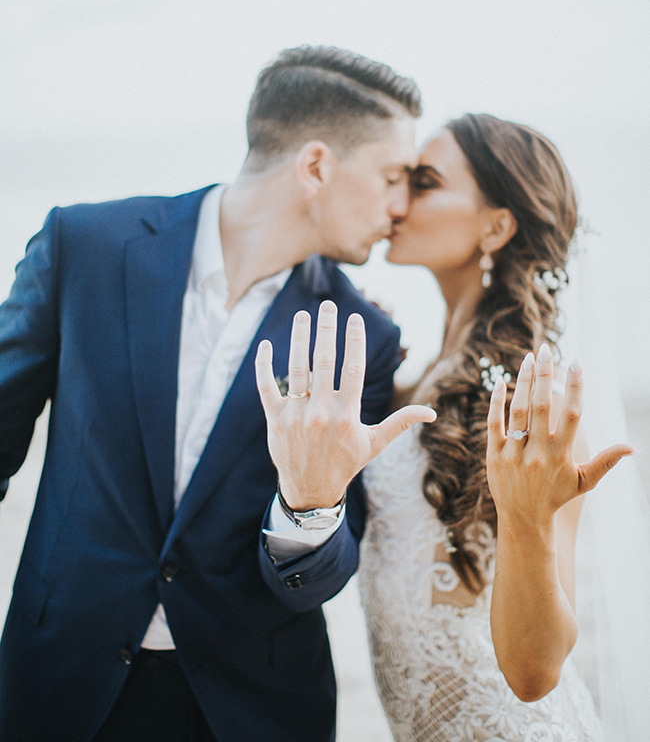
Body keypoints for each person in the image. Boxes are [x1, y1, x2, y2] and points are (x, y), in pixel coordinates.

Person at [0, 45, 435, 742]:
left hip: (248, 711)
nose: (400, 206)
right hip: (60, 684)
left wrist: (309, 502)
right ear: (316, 166)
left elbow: (322, 577)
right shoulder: (83, 245)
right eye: (391, 176)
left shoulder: (363, 336)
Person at [255, 113, 632, 742]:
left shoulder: (525, 399)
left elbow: (536, 673)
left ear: (496, 226)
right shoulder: (420, 378)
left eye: (425, 182)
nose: (398, 201)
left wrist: (525, 516)